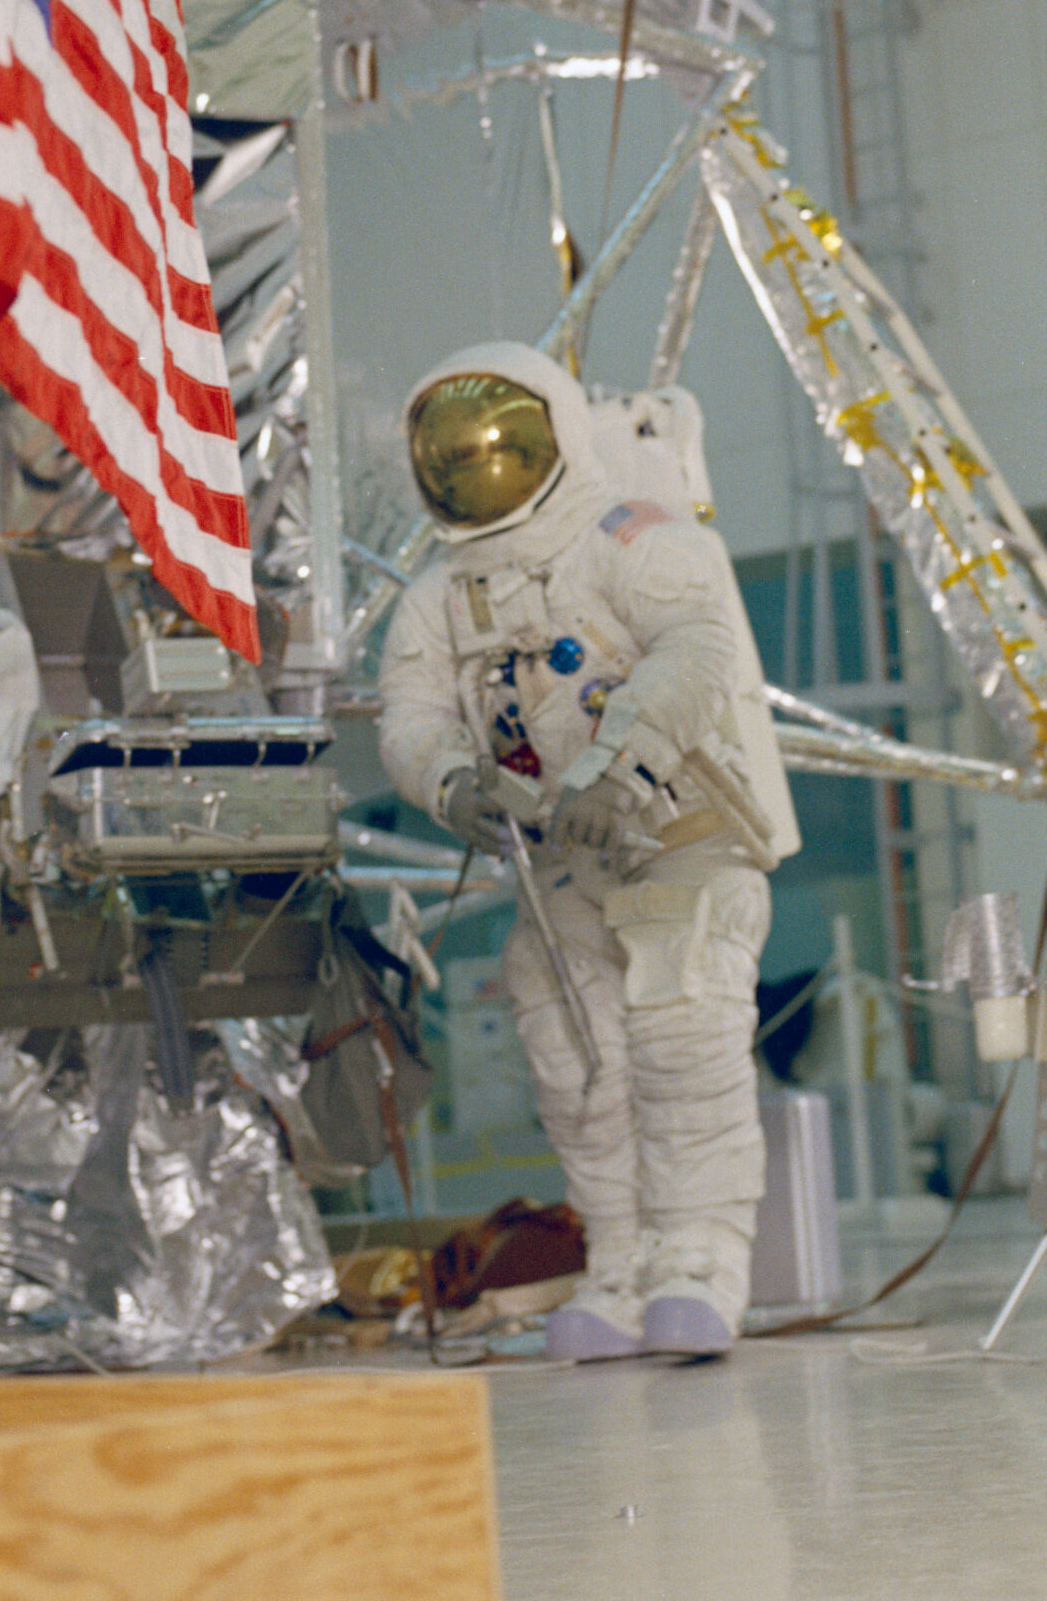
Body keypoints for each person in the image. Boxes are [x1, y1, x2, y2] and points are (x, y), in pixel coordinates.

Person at [379, 341, 798, 1358]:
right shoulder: (439, 595)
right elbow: (411, 714)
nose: (480, 473)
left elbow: (697, 651)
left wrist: (621, 768)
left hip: (677, 834)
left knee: (679, 1040)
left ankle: (699, 1260)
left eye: (502, 448)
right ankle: (615, 1261)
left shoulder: (634, 539)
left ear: (557, 435)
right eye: (456, 457)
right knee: (578, 1063)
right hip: (557, 855)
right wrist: (450, 781)